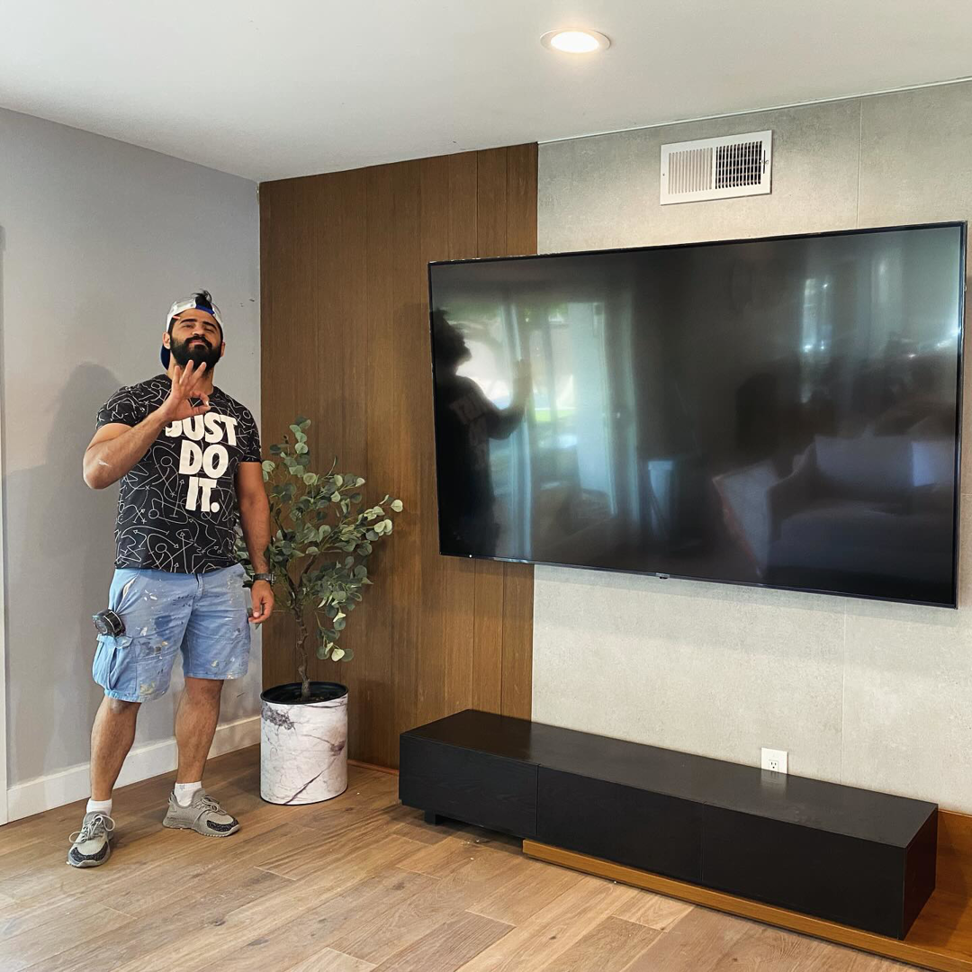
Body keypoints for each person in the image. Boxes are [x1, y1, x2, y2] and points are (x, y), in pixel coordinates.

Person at [68, 291, 274, 868]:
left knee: (206, 686)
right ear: (168, 339)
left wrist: (261, 573)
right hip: (147, 576)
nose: (199, 331)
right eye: (187, 324)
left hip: (220, 575)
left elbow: (253, 497)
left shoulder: (237, 415)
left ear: (222, 345)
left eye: (209, 325)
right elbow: (95, 472)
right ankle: (97, 812)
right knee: (123, 694)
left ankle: (187, 797)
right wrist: (166, 412)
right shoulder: (133, 400)